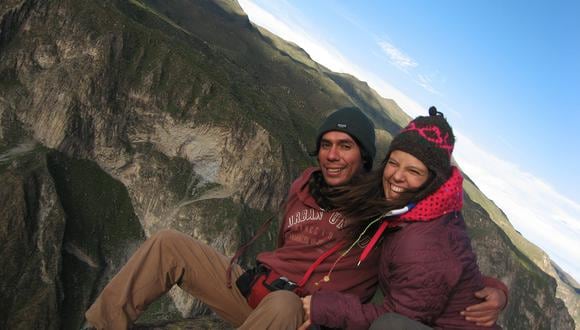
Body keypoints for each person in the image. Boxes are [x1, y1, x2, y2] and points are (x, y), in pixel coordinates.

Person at [85, 107, 505, 329]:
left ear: (365, 157)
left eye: (346, 145)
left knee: (284, 306)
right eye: (326, 144)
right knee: (168, 242)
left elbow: (437, 262)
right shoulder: (304, 183)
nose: (333, 154)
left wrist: (494, 289)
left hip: (300, 314)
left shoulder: (380, 205)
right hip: (255, 290)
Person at [300, 107, 507, 330]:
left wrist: (324, 308)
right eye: (393, 163)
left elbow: (399, 316)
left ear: (432, 180)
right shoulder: (429, 211)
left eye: (414, 171)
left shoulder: (423, 241)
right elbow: (452, 270)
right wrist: (498, 290)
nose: (397, 176)